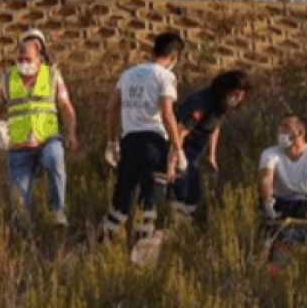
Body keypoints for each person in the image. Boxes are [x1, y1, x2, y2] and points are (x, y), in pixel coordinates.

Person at [0, 29, 78, 227]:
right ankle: (24, 237)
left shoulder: (52, 75)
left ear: (39, 57)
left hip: (47, 138)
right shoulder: (8, 78)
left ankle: (57, 211)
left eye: (28, 59)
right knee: (19, 202)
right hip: (19, 146)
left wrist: (70, 133)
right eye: (20, 59)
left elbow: (66, 107)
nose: (23, 63)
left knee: (55, 160)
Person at [102, 32, 184, 241]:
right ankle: (142, 250)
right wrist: (177, 148)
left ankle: (103, 244)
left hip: (129, 141)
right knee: (150, 201)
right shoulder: (166, 76)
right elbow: (167, 113)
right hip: (154, 143)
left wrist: (112, 142)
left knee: (123, 196)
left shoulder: (128, 74)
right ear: (173, 57)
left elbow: (111, 108)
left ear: (152, 50)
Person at [170, 70, 252, 219]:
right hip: (182, 147)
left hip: (195, 151)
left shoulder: (221, 106)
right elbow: (181, 131)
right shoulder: (202, 102)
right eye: (236, 93)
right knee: (188, 184)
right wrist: (174, 158)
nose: (238, 98)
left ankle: (184, 218)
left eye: (241, 95)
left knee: (193, 185)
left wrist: (211, 156)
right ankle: (177, 218)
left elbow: (214, 127)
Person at [259, 114, 307, 222]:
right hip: (280, 203)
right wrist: (267, 201)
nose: (281, 131)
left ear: (301, 132)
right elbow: (266, 178)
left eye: (286, 126)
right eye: (280, 127)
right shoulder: (270, 153)